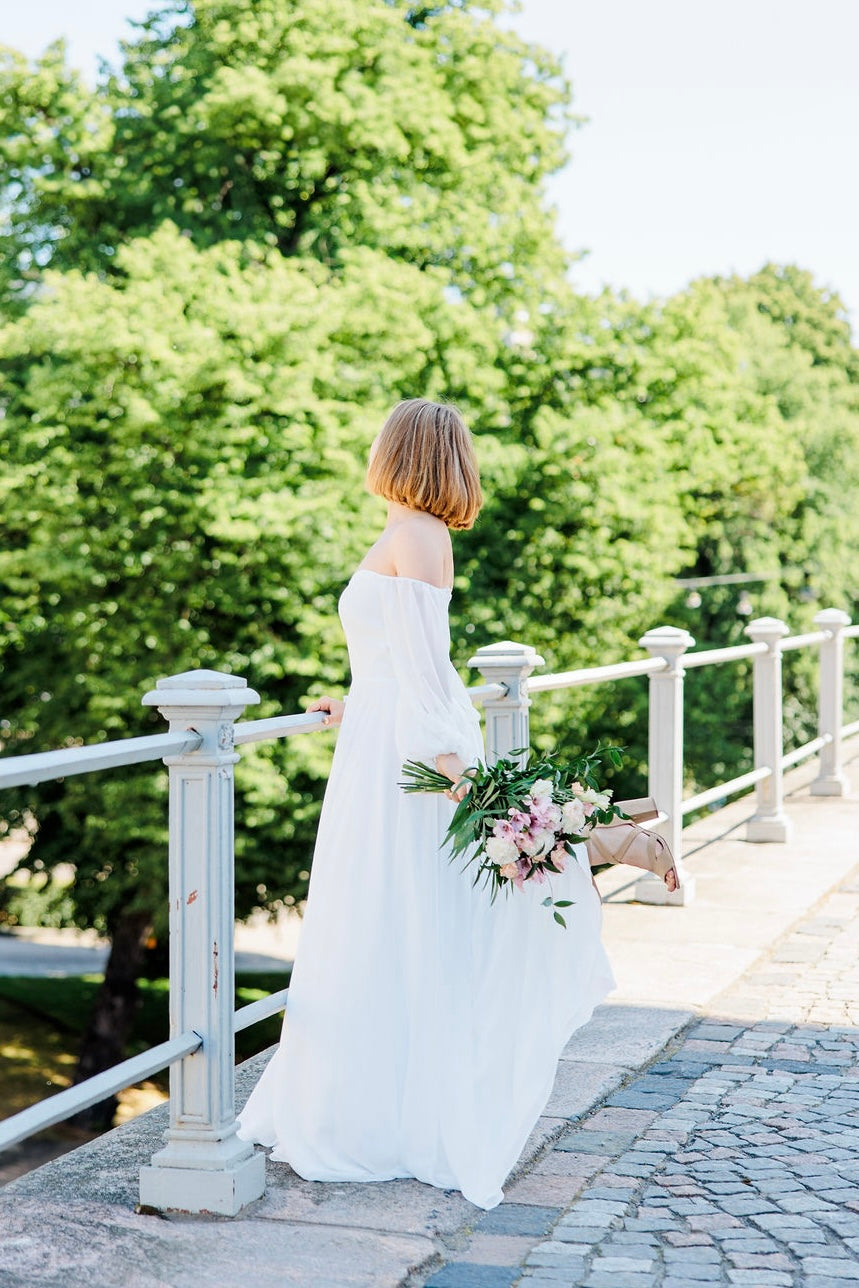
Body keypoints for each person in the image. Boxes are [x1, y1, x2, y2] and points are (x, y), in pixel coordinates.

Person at [235, 397, 675, 1210]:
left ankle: (604, 839)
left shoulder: (416, 536)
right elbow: (390, 661)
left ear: (397, 451)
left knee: (407, 920)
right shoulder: (407, 531)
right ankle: (605, 834)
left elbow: (431, 672)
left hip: (409, 759)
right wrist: (349, 702)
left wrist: (450, 765)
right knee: (380, 921)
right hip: (378, 745)